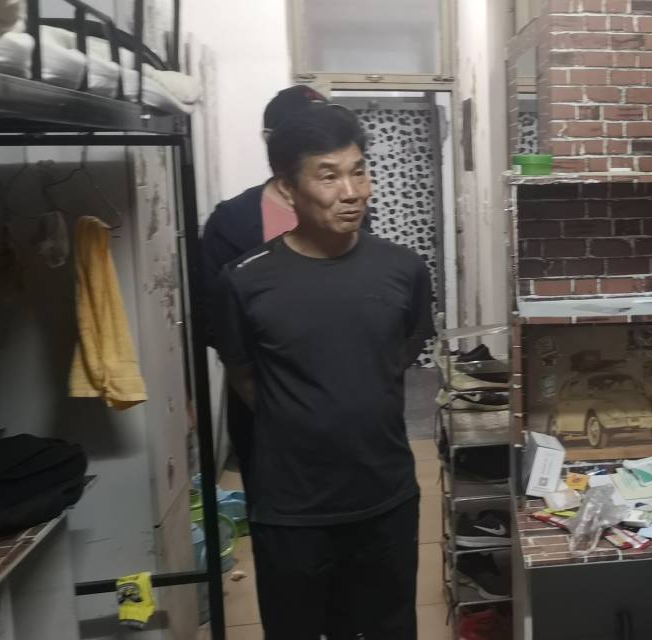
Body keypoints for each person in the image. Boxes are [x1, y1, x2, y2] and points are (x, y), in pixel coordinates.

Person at [214, 103, 433, 639]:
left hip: (385, 497)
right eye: (329, 176)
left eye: (359, 171)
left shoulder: (402, 269)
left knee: (389, 630)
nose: (352, 191)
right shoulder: (245, 281)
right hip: (292, 509)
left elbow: (404, 348)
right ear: (289, 188)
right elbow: (242, 373)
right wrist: (304, 416)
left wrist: (354, 390)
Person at [201, 85, 376, 481]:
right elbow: (215, 321)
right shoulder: (232, 221)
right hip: (267, 404)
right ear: (272, 143)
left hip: (351, 403)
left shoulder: (348, 207)